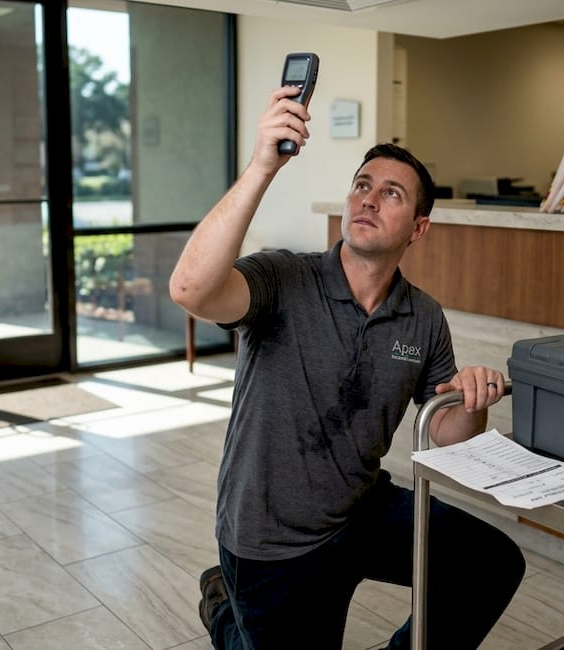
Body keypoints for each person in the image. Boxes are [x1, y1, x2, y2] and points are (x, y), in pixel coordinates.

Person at [169, 85, 526, 649]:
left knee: (491, 562)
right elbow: (190, 288)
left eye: (391, 194)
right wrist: (264, 165)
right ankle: (224, 611)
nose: (368, 199)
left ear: (418, 228)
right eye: (362, 185)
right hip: (271, 538)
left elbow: (445, 435)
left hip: (361, 510)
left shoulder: (423, 316)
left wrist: (468, 401)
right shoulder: (283, 279)